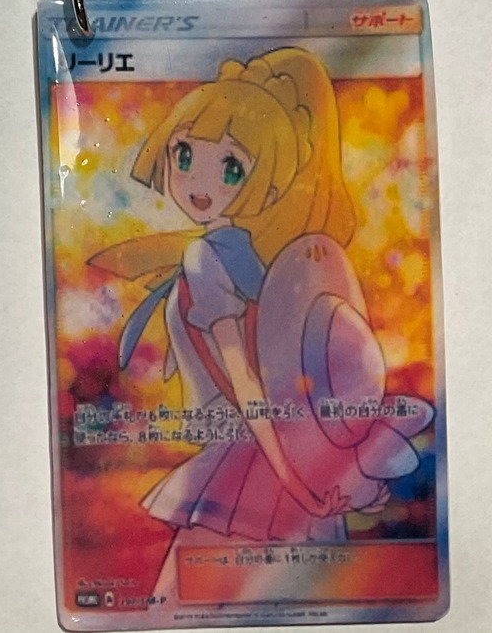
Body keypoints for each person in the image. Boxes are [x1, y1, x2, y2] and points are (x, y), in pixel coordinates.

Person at [90, 47, 428, 605]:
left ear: (269, 186)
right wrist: (314, 471)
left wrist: (296, 477)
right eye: (184, 154)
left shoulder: (213, 258)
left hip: (260, 455)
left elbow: (249, 382)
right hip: (289, 449)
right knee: (309, 598)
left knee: (179, 603)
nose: (198, 182)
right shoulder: (265, 260)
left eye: (231, 168)